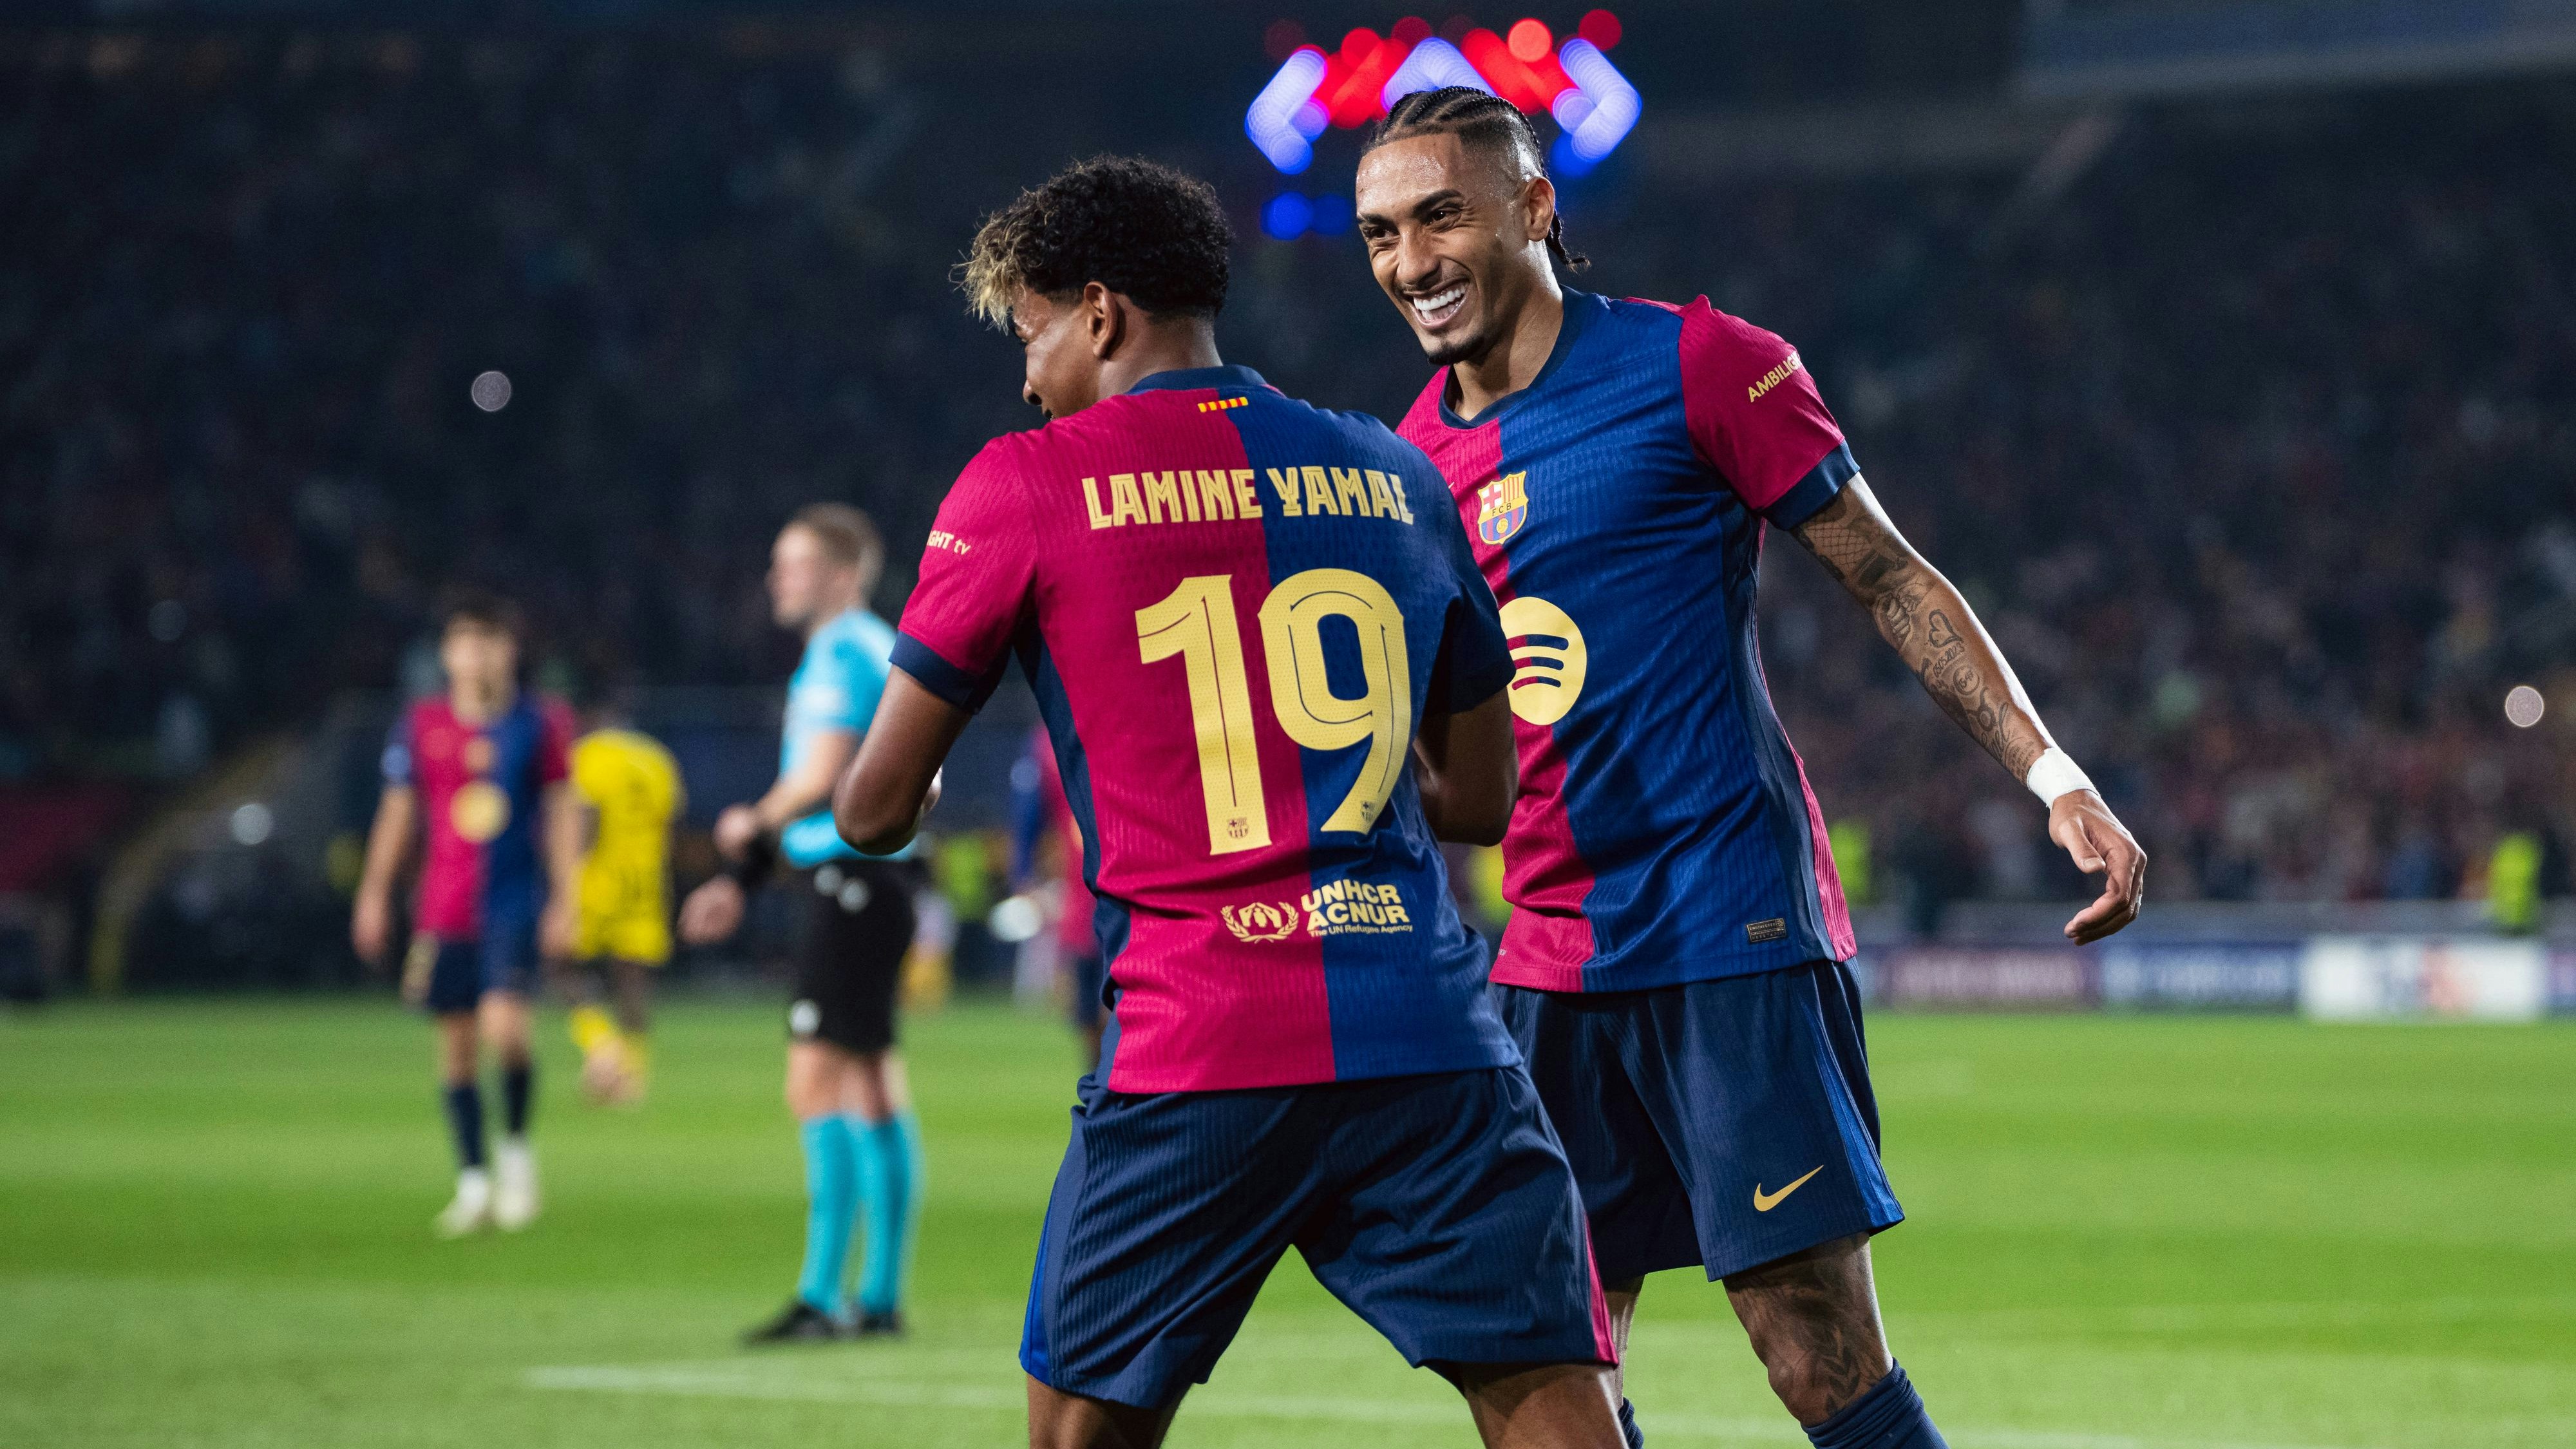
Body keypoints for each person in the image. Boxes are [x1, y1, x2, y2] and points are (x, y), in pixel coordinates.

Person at [1352, 88, 2150, 1449]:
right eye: (1380, 234)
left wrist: (2053, 778)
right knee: (1537, 1371)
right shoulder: (1404, 466)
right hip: (1543, 959)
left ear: (1534, 207)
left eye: (1441, 217)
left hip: (1728, 929)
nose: (1411, 261)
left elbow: (1891, 579)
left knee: (1810, 1353)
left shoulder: (1701, 365)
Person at [830, 154, 1625, 1449]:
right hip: (1429, 1036)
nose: (1025, 377)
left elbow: (870, 813)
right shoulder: (1394, 470)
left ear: (1099, 314)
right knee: (1554, 1410)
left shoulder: (1026, 482)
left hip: (1198, 1043)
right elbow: (1482, 798)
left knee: (1076, 1433)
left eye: (1030, 334)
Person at [676, 503, 924, 1343]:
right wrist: (745, 879)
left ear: (842, 575)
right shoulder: (877, 646)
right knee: (874, 1084)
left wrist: (751, 823)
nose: (776, 578)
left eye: (794, 564)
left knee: (815, 1084)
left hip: (851, 882)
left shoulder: (838, 652)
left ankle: (822, 1297)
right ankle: (879, 1297)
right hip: (876, 881)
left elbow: (818, 779)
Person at [352, 592, 580, 1237]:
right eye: (466, 643)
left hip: (512, 901)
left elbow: (562, 810)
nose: (478, 656)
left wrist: (568, 897)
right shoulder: (422, 724)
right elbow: (398, 813)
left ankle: (516, 1154)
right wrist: (374, 893)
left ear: (510, 651)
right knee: (454, 1049)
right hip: (444, 908)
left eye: (490, 642)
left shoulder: (540, 722)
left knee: (506, 1031)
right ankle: (474, 1182)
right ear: (447, 654)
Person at [561, 688, 684, 1104]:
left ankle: (603, 1048)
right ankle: (633, 1075)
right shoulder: (657, 759)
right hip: (645, 882)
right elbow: (670, 822)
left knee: (562, 965)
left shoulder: (588, 756)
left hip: (596, 879)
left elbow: (585, 818)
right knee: (633, 981)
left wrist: (564, 878)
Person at [1008, 724, 1104, 1068]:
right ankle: (1106, 1088)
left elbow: (1026, 817)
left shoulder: (1048, 741)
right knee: (1092, 1013)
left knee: (1107, 1011)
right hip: (1091, 904)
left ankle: (1111, 1085)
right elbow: (1028, 815)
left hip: (1104, 903)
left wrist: (1023, 873)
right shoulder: (1047, 743)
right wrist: (1024, 874)